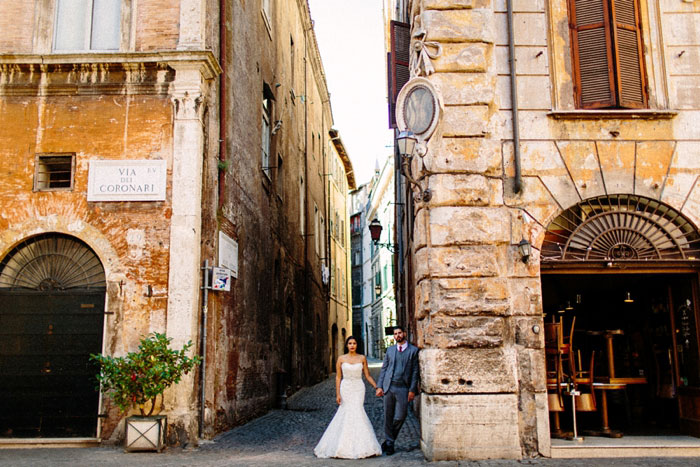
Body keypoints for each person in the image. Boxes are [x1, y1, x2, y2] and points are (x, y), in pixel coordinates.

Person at [314, 336, 382, 459]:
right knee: (345, 412)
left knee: (358, 411)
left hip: (358, 388)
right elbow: (338, 377)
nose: (352, 345)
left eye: (354, 343)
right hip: (346, 388)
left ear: (356, 345)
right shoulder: (341, 359)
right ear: (346, 345)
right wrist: (338, 394)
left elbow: (367, 375)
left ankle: (363, 446)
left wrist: (376, 386)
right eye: (350, 343)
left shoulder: (362, 358)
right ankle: (342, 445)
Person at [375, 326, 419, 455]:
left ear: (404, 334)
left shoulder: (413, 351)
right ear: (393, 336)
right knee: (388, 416)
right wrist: (379, 386)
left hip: (403, 388)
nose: (398, 335)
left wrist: (412, 390)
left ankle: (389, 440)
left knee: (400, 416)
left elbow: (415, 372)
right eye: (395, 334)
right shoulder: (390, 350)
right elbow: (384, 369)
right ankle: (390, 444)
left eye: (399, 333)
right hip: (389, 387)